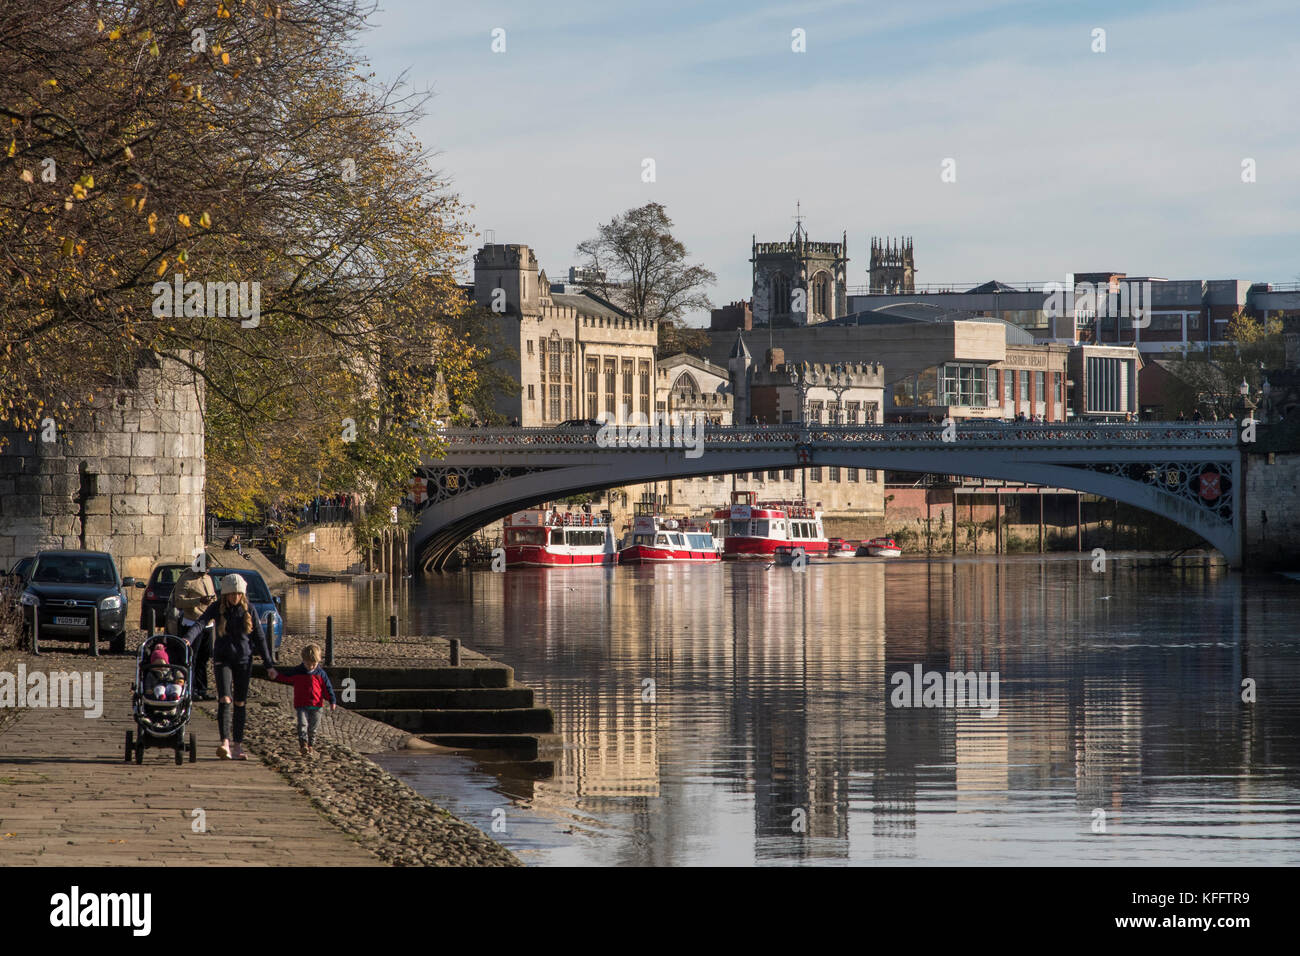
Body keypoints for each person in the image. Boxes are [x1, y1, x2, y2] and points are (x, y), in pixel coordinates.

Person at [186, 574, 273, 761]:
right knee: (225, 699)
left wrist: (269, 664)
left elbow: (259, 637)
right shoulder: (217, 608)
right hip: (222, 659)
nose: (235, 598)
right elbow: (201, 623)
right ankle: (224, 742)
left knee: (240, 703)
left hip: (244, 660)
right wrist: (189, 638)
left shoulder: (249, 609)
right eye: (232, 594)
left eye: (238, 594)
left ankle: (237, 745)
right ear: (226, 594)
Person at [268, 644, 337, 756]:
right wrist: (276, 675)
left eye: (314, 664)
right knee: (302, 724)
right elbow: (286, 677)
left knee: (313, 728)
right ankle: (303, 744)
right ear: (303, 661)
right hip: (301, 704)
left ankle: (311, 745)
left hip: (317, 705)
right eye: (308, 664)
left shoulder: (321, 674)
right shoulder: (297, 671)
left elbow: (327, 688)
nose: (311, 667)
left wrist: (332, 701)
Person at [167, 564, 216, 699]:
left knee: (204, 658)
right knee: (191, 658)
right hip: (192, 623)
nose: (208, 571)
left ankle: (202, 689)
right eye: (206, 568)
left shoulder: (208, 579)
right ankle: (191, 689)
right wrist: (198, 600)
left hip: (208, 624)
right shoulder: (186, 579)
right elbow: (179, 602)